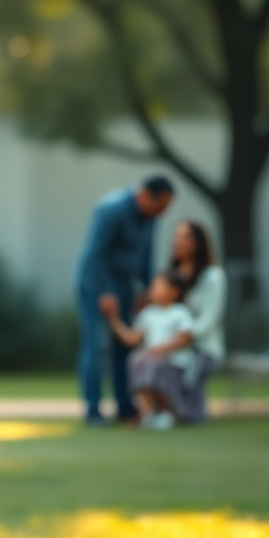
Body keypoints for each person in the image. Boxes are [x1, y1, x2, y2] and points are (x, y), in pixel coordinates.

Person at [75, 176, 175, 424]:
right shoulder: (112, 210)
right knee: (97, 347)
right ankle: (93, 410)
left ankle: (125, 406)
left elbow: (146, 254)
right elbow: (95, 255)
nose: (161, 214)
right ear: (144, 196)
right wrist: (105, 292)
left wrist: (147, 290)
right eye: (159, 206)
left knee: (125, 347)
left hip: (125, 287)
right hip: (95, 285)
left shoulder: (150, 219)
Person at [140, 220, 227, 423]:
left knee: (188, 407)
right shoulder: (171, 276)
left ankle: (176, 411)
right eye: (176, 236)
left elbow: (209, 320)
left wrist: (178, 341)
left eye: (185, 237)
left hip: (200, 348)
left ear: (198, 243)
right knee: (143, 360)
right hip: (171, 346)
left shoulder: (212, 276)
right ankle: (154, 411)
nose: (177, 242)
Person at [99, 271, 196, 430]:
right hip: (151, 360)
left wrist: (162, 349)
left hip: (174, 362)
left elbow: (186, 337)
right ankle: (147, 412)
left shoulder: (180, 312)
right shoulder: (148, 314)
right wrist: (113, 318)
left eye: (159, 286)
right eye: (153, 286)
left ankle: (165, 413)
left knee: (154, 365)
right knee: (136, 360)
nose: (154, 290)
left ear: (174, 291)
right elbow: (131, 338)